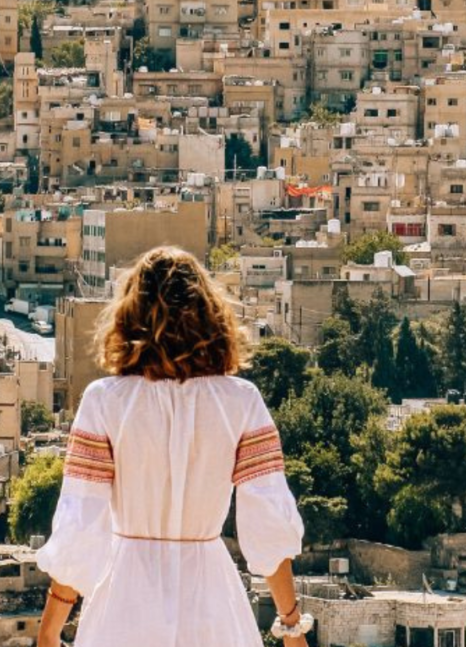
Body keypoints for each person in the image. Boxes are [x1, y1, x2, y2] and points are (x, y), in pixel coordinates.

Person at [35, 246, 307, 647]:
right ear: (211, 316)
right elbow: (267, 521)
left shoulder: (104, 401)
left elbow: (81, 524)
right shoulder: (241, 401)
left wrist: (48, 631)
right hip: (213, 601)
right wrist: (291, 628)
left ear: (129, 317)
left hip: (124, 602)